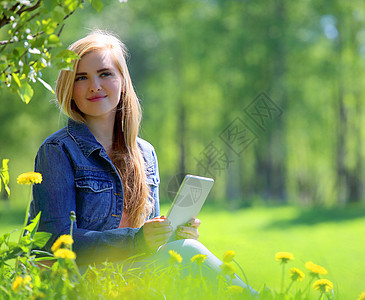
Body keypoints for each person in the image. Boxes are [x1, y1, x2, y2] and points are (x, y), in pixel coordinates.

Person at [29, 30, 253, 292]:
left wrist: (169, 235)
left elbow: (148, 239)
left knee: (189, 255)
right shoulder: (58, 150)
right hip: (81, 283)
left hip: (133, 276)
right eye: (82, 78)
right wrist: (136, 240)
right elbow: (55, 242)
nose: (95, 86)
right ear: (69, 88)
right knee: (191, 257)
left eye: (105, 74)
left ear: (122, 81)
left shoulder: (145, 153)